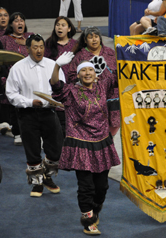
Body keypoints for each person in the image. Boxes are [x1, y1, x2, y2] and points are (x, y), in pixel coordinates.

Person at [50, 53, 121, 235]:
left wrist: (125, 53)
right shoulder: (71, 91)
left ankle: (94, 209)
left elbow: (120, 77)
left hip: (102, 143)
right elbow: (56, 85)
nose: (88, 73)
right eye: (83, 71)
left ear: (96, 74)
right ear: (78, 75)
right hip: (80, 142)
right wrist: (57, 66)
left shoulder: (103, 85)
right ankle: (88, 220)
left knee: (102, 187)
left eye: (91, 69)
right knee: (86, 186)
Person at [5, 34, 65, 197]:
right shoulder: (18, 68)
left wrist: (56, 101)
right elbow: (11, 94)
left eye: (41, 47)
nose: (39, 51)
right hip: (27, 114)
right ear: (27, 48)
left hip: (49, 112)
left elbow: (62, 89)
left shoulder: (53, 65)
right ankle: (37, 183)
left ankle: (47, 177)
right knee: (32, 149)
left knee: (56, 149)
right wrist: (30, 102)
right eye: (35, 47)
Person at [69, 26, 120, 136]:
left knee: (114, 125)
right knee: (97, 127)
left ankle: (108, 143)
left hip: (113, 96)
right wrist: (85, 80)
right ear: (85, 40)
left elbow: (120, 70)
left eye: (96, 36)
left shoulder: (110, 52)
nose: (94, 39)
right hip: (92, 97)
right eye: (91, 37)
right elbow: (72, 76)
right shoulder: (80, 56)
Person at [0, 12, 34, 145]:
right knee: (15, 106)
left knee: (30, 106)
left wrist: (27, 43)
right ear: (11, 24)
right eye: (16, 20)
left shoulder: (31, 36)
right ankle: (17, 133)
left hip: (29, 78)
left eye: (22, 20)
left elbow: (40, 51)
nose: (19, 22)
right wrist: (4, 79)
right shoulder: (5, 39)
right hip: (12, 78)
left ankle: (31, 131)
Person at [45, 16, 77, 137]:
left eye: (63, 25)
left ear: (69, 29)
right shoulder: (49, 44)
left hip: (72, 87)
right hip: (56, 86)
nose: (59, 27)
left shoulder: (76, 44)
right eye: (57, 25)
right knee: (59, 125)